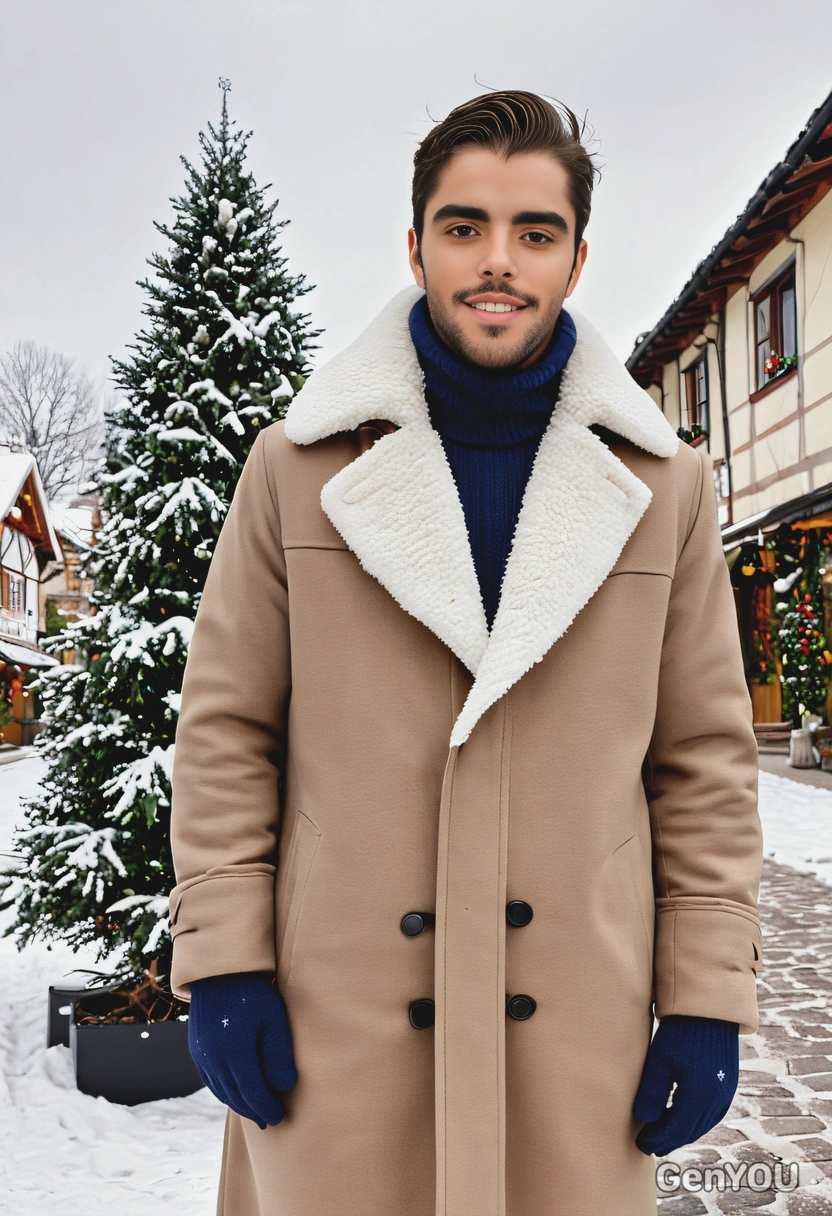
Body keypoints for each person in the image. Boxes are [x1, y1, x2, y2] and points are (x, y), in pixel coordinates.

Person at [168, 90, 763, 1216]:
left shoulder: (666, 488)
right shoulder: (293, 469)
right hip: (332, 1016)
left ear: (577, 259)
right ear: (416, 243)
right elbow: (226, 730)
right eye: (464, 226)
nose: (499, 261)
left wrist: (703, 993)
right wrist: (225, 961)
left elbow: (704, 763)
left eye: (534, 232)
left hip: (576, 1026)